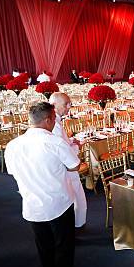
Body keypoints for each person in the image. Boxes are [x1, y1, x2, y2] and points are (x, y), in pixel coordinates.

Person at [5, 102, 82, 267]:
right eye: (54, 119)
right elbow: (74, 166)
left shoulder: (12, 145)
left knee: (44, 245)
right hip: (58, 202)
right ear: (47, 120)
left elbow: (12, 172)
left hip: (32, 203)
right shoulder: (54, 142)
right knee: (63, 243)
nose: (55, 122)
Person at [49, 93, 87, 228]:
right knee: (76, 197)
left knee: (76, 197)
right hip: (66, 168)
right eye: (66, 104)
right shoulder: (54, 124)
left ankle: (76, 224)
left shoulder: (56, 121)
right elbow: (61, 150)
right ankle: (77, 226)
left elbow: (62, 143)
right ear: (54, 105)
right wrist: (75, 146)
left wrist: (70, 141)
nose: (69, 107)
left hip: (65, 167)